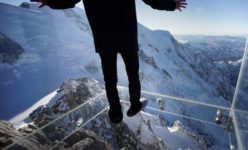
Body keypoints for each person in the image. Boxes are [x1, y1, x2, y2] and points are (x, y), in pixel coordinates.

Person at [34, 0, 187, 124]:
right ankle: (135, 105)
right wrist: (172, 5)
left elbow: (68, 0)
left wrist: (51, 1)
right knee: (133, 74)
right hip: (127, 38)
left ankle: (115, 113)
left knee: (110, 79)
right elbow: (152, 0)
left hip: (105, 40)